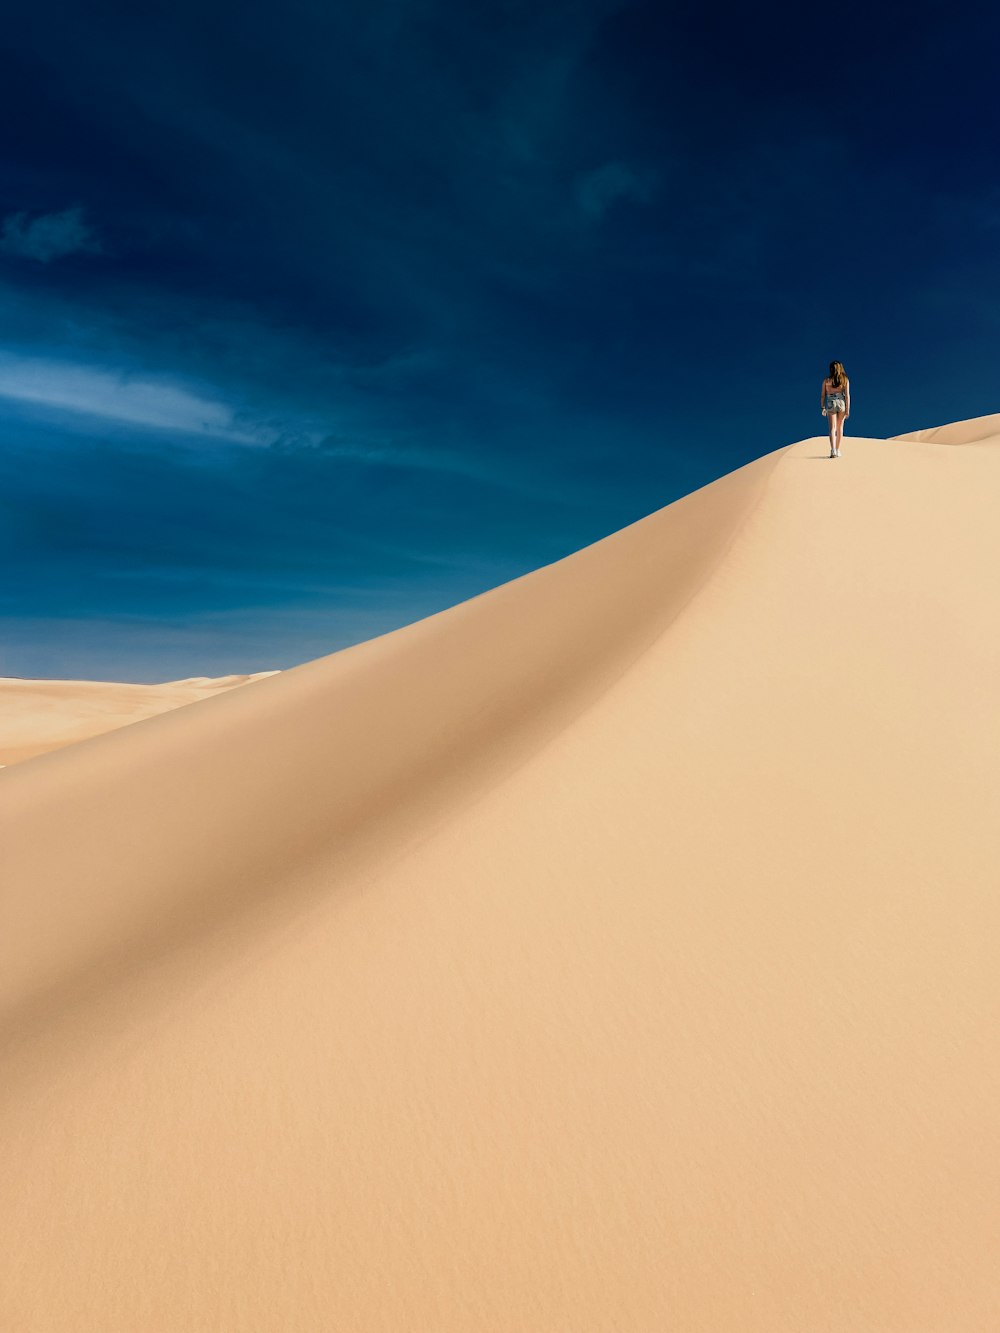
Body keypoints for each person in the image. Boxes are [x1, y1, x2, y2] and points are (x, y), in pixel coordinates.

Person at [821, 361, 850, 457]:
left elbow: (822, 395)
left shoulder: (826, 380)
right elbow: (847, 396)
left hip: (831, 403)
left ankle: (833, 450)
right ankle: (837, 450)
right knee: (840, 428)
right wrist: (847, 409)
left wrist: (823, 407)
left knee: (832, 428)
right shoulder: (845, 380)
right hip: (841, 403)